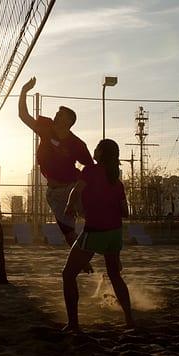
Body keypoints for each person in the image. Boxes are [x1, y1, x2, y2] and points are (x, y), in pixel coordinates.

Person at [62, 139, 134, 332]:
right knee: (114, 275)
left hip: (95, 231)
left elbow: (76, 191)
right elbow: (125, 212)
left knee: (68, 275)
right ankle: (129, 320)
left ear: (101, 152)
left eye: (96, 148)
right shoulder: (116, 181)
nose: (93, 151)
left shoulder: (90, 170)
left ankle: (73, 324)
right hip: (115, 233)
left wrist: (69, 207)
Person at [19, 77, 94, 256]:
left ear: (68, 122)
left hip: (72, 188)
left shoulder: (77, 144)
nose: (56, 116)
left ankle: (108, 251)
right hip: (54, 192)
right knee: (69, 235)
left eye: (61, 115)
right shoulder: (46, 129)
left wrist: (84, 187)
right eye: (57, 113)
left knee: (93, 220)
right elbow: (23, 115)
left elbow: (90, 167)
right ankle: (83, 260)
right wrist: (24, 91)